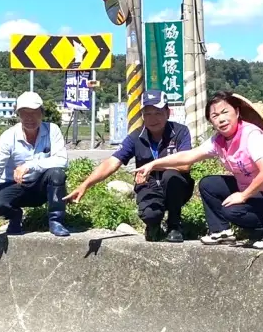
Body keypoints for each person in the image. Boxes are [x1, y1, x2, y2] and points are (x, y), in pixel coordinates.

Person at [138, 91, 263, 249]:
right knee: (208, 184)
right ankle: (221, 231)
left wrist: (243, 196)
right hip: (248, 186)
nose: (221, 119)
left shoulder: (252, 135)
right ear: (211, 121)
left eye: (225, 112)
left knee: (231, 211)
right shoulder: (218, 140)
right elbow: (188, 156)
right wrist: (153, 164)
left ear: (237, 113)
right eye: (215, 115)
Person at [67, 90, 193, 242]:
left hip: (176, 187)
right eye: (147, 113)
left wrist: (152, 166)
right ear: (142, 116)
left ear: (168, 112)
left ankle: (174, 225)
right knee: (151, 215)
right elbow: (112, 162)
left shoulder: (180, 131)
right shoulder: (135, 137)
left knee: (171, 175)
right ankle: (153, 225)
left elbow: (185, 164)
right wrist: (85, 185)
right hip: (148, 184)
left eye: (158, 113)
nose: (153, 119)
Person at [0, 91, 70, 237]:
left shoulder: (52, 130)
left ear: (42, 114)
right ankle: (15, 217)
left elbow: (62, 160)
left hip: (40, 186)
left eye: (34, 113)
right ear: (18, 115)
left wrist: (29, 165)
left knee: (57, 173)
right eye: (24, 113)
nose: (29, 118)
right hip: (16, 186)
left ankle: (56, 221)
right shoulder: (8, 136)